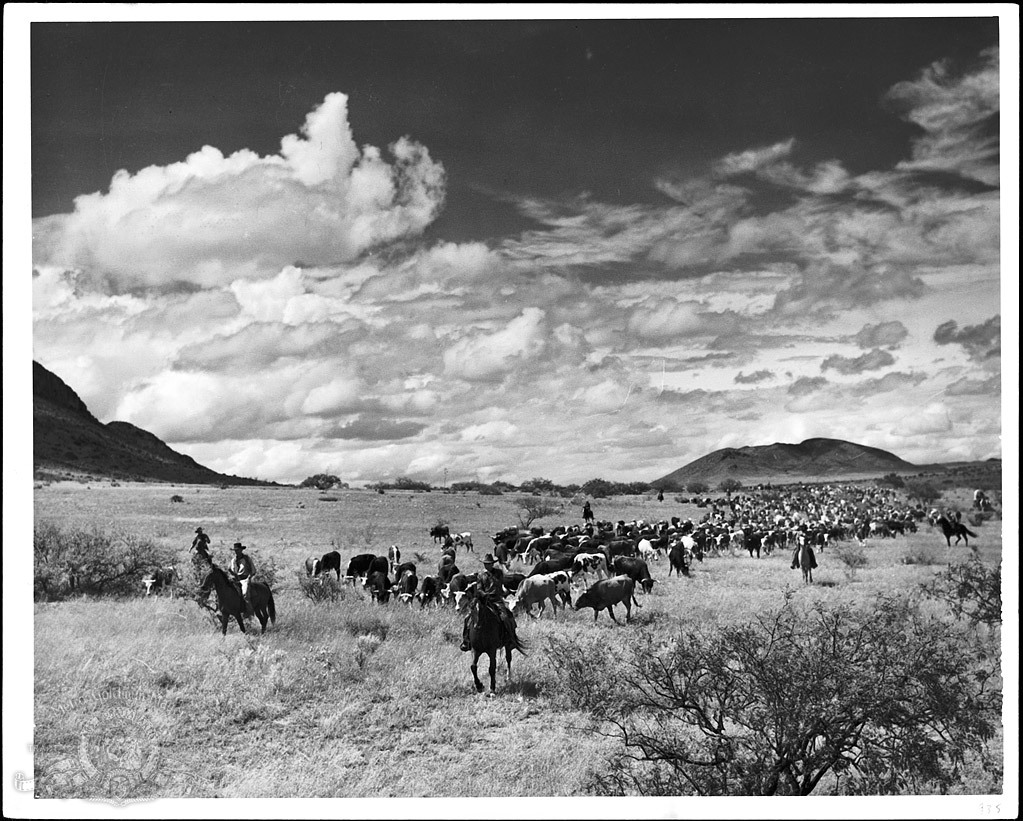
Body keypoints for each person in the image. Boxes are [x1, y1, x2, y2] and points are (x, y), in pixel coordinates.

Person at [460, 553, 514, 652]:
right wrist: (483, 594)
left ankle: (510, 639)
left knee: (505, 617)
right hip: (483, 599)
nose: (487, 565)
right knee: (467, 618)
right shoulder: (481, 575)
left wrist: (493, 593)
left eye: (489, 563)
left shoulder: (498, 573)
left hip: (496, 599)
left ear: (492, 564)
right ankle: (466, 641)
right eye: (485, 563)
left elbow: (498, 585)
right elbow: (479, 588)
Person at [229, 542, 256, 617]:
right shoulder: (233, 560)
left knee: (245, 594)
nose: (236, 552)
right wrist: (232, 575)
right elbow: (232, 571)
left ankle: (249, 611)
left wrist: (249, 577)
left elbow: (253, 570)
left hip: (245, 578)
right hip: (236, 579)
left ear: (241, 550)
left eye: (238, 550)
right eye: (235, 550)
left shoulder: (247, 559)